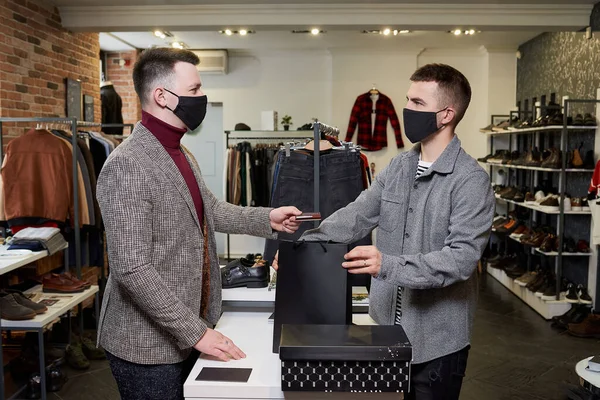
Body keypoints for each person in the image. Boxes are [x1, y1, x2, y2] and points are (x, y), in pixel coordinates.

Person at [274, 63, 495, 399]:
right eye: (408, 100)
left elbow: (461, 259)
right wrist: (300, 247)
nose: (408, 110)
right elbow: (357, 214)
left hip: (437, 343)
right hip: (385, 330)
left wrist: (386, 265)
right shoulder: (399, 167)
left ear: (447, 114)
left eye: (418, 104)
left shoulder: (471, 181)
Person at [96, 47, 302, 400]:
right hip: (147, 347)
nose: (202, 98)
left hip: (187, 327)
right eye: (194, 90)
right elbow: (132, 269)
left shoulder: (180, 152)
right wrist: (197, 332)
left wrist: (268, 217)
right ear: (162, 96)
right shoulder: (127, 164)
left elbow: (211, 211)